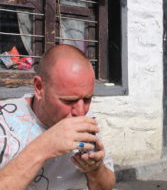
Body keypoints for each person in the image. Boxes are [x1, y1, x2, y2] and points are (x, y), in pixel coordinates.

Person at [0, 44, 115, 190]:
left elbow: (107, 186)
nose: (80, 112)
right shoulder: (5, 122)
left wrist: (95, 169)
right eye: (69, 100)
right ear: (39, 88)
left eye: (87, 99)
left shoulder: (86, 119)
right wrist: (43, 147)